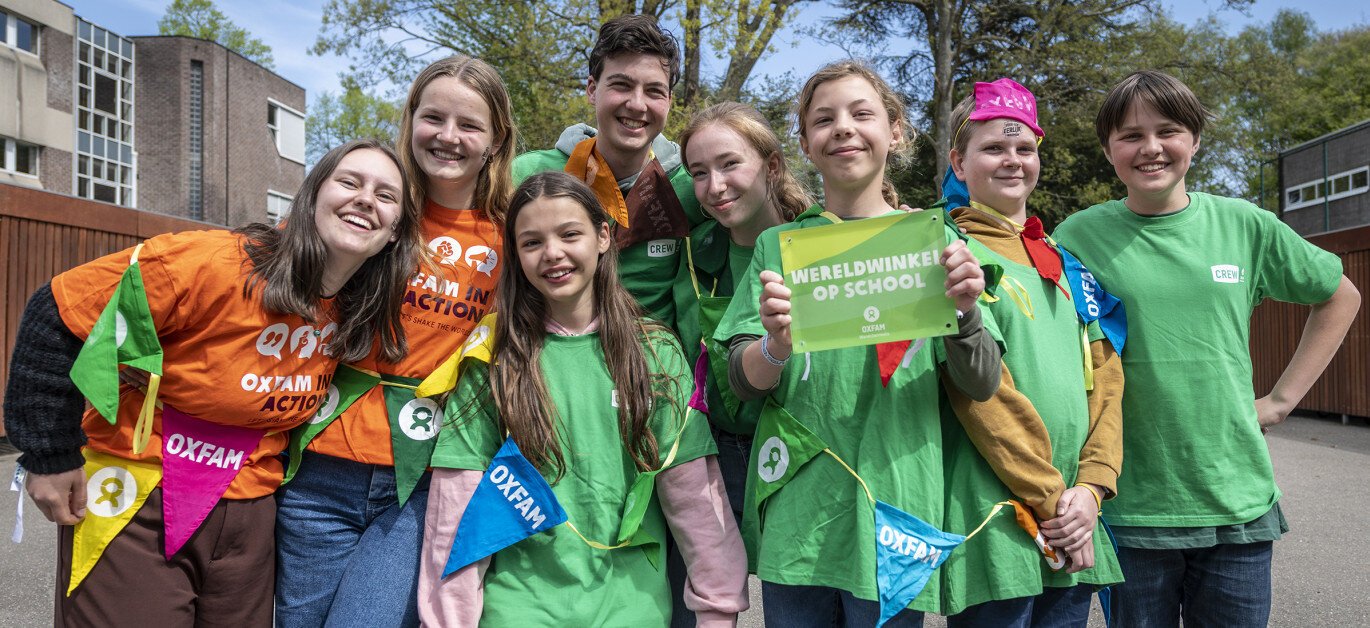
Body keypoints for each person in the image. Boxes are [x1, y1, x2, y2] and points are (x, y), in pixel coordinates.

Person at [3, 138, 423, 625]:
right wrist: (49, 454)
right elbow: (59, 314)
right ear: (311, 197)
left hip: (250, 514)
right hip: (137, 496)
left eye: (386, 195)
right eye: (349, 182)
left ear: (396, 232)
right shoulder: (208, 263)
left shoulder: (357, 306)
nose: (366, 199)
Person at [1052, 69, 1360, 627]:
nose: (1150, 148)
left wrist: (1282, 401)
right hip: (1128, 501)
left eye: (1168, 130)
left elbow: (1340, 296)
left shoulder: (1244, 225)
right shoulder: (1075, 237)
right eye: (1129, 135)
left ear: (1194, 140)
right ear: (1108, 150)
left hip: (1233, 498)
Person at [713, 60, 1003, 626]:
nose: (843, 127)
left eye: (861, 113)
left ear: (896, 131)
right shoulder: (780, 246)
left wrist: (966, 313)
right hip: (800, 518)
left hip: (897, 520)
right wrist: (774, 346)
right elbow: (737, 381)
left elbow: (982, 381)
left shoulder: (938, 242)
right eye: (824, 119)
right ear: (805, 142)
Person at [416, 171, 748, 626]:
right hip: (516, 610)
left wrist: (718, 610)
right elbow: (455, 510)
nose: (552, 253)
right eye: (531, 242)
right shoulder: (493, 359)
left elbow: (695, 498)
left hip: (634, 610)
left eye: (570, 234)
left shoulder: (656, 352)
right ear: (515, 254)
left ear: (603, 237)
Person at [274, 56, 514, 627]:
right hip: (318, 471)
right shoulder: (370, 203)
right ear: (411, 120)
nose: (448, 137)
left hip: (425, 480)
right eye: (433, 117)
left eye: (470, 125)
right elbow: (269, 284)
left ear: (496, 139)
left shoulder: (512, 231)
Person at [931, 78, 1125, 625]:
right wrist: (1053, 501)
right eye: (993, 148)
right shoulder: (947, 252)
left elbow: (1107, 381)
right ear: (959, 162)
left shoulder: (1068, 262)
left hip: (1076, 515)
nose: (1012, 160)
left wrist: (1092, 488)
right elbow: (981, 396)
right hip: (1000, 520)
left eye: (1025, 148)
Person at [665, 101, 810, 626]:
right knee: (698, 606)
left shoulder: (819, 242)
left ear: (772, 166)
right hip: (708, 455)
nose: (714, 185)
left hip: (795, 452)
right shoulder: (691, 253)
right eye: (699, 173)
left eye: (730, 164)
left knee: (793, 604)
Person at [512, 14, 706, 326]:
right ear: (592, 89)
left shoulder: (694, 189)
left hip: (653, 365)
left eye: (654, 91)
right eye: (621, 85)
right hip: (545, 358)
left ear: (669, 101)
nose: (637, 104)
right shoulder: (526, 174)